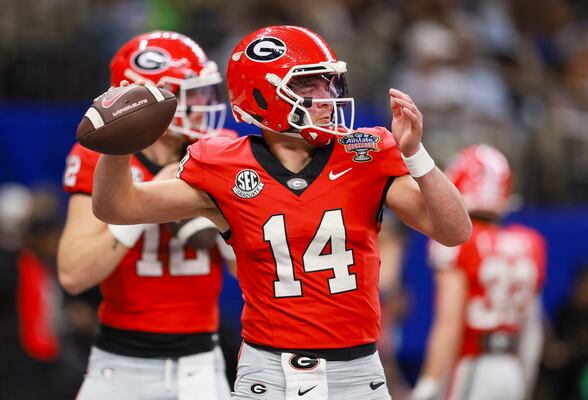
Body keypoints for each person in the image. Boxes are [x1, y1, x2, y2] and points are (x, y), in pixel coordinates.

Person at [92, 25, 471, 400]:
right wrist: (118, 145)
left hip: (357, 374)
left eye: (328, 83)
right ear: (262, 94)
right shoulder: (222, 166)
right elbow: (119, 207)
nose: (326, 97)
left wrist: (416, 155)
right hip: (268, 374)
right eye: (309, 85)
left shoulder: (365, 154)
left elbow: (454, 231)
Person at [57, 31, 237, 400]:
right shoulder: (102, 158)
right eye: (193, 94)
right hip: (121, 363)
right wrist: (141, 203)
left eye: (206, 92)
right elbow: (73, 274)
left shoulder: (215, 153)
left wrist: (227, 223)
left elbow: (251, 267)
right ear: (148, 98)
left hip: (201, 363)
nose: (205, 105)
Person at [413, 145, 547, 400]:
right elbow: (532, 332)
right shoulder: (530, 243)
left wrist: (427, 386)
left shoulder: (457, 243)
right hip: (512, 370)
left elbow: (449, 325)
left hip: (471, 365)